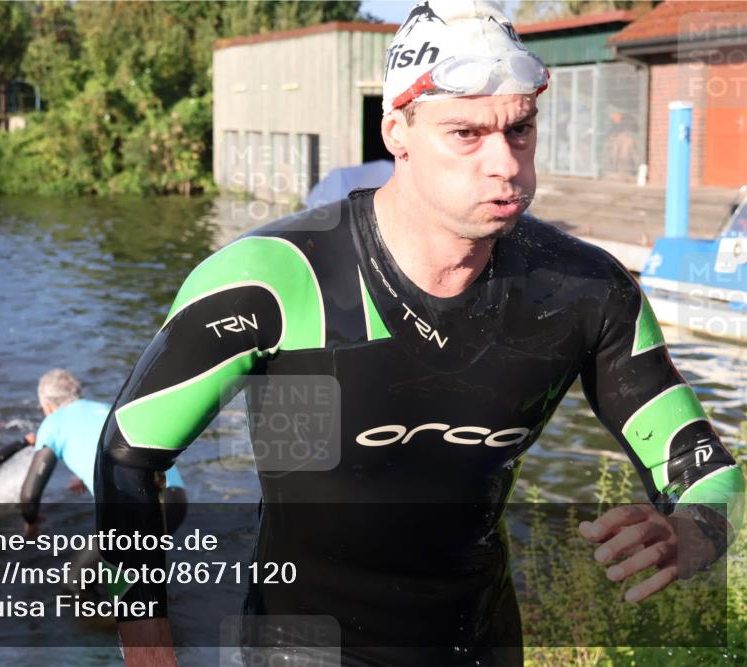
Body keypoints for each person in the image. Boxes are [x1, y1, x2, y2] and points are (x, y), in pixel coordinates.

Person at [93, 2, 745, 665]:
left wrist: (693, 531)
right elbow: (127, 455)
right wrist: (149, 651)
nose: (505, 164)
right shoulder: (275, 278)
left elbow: (709, 474)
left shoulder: (585, 293)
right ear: (397, 131)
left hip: (479, 644)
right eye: (466, 133)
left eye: (520, 130)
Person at [22, 369, 186, 539]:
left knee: (80, 567)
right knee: (140, 562)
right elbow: (114, 446)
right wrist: (86, 477)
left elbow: (29, 496)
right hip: (175, 499)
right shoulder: (107, 408)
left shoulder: (52, 423)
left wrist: (31, 522)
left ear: (47, 406)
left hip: (134, 505)